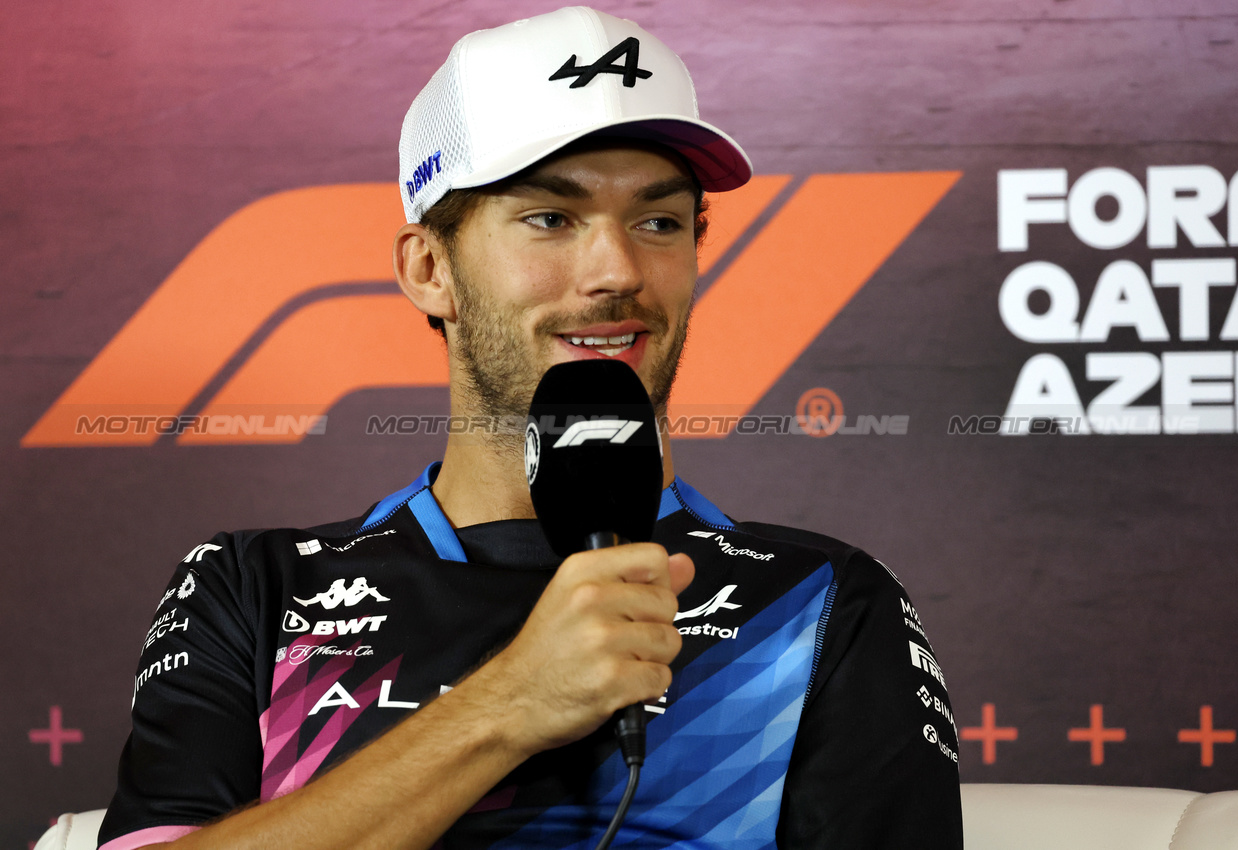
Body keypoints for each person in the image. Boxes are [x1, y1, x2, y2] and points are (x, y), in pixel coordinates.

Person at [98, 7, 962, 849]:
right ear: (429, 268)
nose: (617, 271)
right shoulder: (255, 588)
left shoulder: (819, 599)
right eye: (550, 218)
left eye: (658, 222)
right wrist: (508, 706)